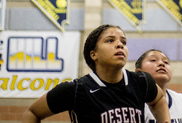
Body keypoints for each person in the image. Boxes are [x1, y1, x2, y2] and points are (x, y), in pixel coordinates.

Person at [22, 24, 170, 123]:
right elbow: (32, 113)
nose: (120, 45)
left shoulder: (142, 82)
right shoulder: (77, 89)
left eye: (123, 42)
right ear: (94, 54)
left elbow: (158, 100)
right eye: (110, 40)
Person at [136, 49, 182, 123]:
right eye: (153, 60)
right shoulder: (132, 101)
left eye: (166, 62)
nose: (161, 63)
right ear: (139, 72)